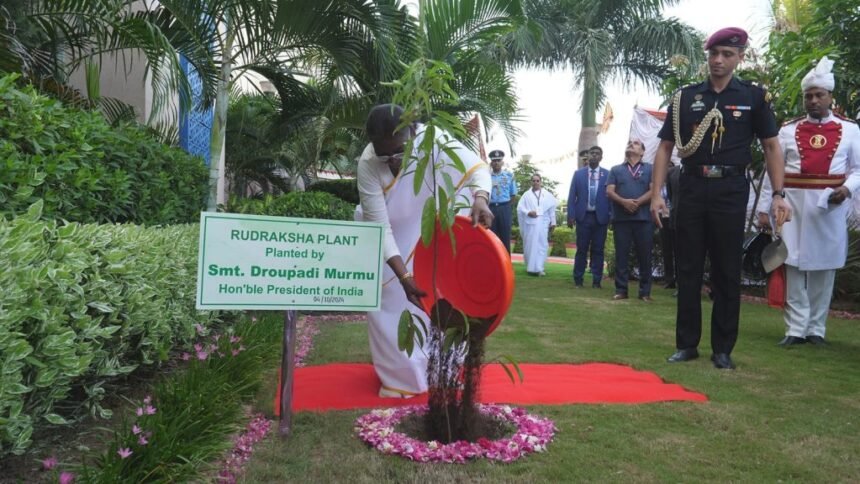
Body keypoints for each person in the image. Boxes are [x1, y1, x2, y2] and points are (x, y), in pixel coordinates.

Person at [650, 27, 792, 370]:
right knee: (688, 268)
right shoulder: (685, 98)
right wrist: (656, 194)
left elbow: (771, 146)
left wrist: (779, 193)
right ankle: (686, 344)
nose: (718, 60)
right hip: (693, 188)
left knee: (728, 269)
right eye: (714, 54)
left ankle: (723, 348)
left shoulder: (754, 97)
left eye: (727, 54)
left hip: (730, 190)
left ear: (739, 57)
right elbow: (666, 147)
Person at [356, 104, 493, 398]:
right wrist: (404, 277)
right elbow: (380, 227)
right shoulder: (368, 163)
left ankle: (442, 369)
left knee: (442, 296)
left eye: (399, 152)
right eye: (384, 155)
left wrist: (480, 197)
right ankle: (400, 378)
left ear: (414, 132)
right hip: (387, 238)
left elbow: (476, 168)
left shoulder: (433, 140)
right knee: (388, 300)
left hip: (429, 228)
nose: (392, 161)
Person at [756, 57, 860, 347]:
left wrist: (846, 190)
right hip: (792, 206)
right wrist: (766, 208)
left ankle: (816, 328)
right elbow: (772, 170)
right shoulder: (787, 130)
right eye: (808, 96)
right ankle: (795, 329)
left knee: (823, 269)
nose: (813, 101)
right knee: (791, 263)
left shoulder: (850, 130)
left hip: (828, 207)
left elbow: (858, 169)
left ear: (830, 97)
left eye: (819, 95)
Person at [607, 139, 654, 301]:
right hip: (622, 219)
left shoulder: (650, 168)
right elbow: (610, 191)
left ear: (642, 152)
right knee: (621, 255)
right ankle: (621, 290)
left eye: (635, 143)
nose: (631, 144)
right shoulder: (616, 170)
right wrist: (624, 202)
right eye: (629, 143)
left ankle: (645, 292)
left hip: (644, 219)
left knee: (645, 256)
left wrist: (637, 203)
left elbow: (654, 190)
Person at [568, 145, 610, 288]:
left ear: (601, 157)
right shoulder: (578, 174)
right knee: (581, 249)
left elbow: (611, 197)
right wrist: (571, 215)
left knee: (598, 250)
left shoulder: (608, 174)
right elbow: (572, 196)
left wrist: (610, 215)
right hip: (583, 217)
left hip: (601, 218)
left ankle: (597, 281)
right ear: (588, 156)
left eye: (597, 153)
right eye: (592, 153)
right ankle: (578, 280)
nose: (594, 156)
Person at [517, 173, 558, 276]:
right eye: (533, 181)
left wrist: (553, 222)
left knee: (542, 245)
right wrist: (528, 212)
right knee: (530, 245)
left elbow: (551, 209)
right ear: (531, 182)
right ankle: (530, 267)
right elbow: (520, 208)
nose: (535, 182)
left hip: (543, 224)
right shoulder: (526, 195)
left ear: (541, 182)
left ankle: (539, 268)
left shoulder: (547, 195)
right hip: (530, 224)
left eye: (537, 181)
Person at [488, 149, 518, 254]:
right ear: (491, 163)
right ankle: (493, 266)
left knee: (505, 236)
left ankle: (506, 265)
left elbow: (513, 195)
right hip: (490, 208)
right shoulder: (486, 176)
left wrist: (506, 207)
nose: (496, 162)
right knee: (491, 237)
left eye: (498, 160)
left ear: (502, 162)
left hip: (504, 207)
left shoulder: (509, 176)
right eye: (494, 160)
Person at [659, 161, 678, 289]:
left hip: (676, 218)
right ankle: (669, 279)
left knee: (678, 250)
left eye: (670, 168)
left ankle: (680, 279)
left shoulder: (677, 183)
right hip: (663, 219)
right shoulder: (658, 186)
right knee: (666, 250)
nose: (668, 171)